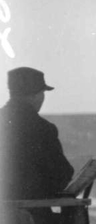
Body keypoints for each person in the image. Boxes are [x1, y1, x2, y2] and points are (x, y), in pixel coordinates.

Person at [1, 67, 74, 201]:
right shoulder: (43, 129)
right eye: (42, 93)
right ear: (35, 95)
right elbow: (62, 174)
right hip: (32, 216)